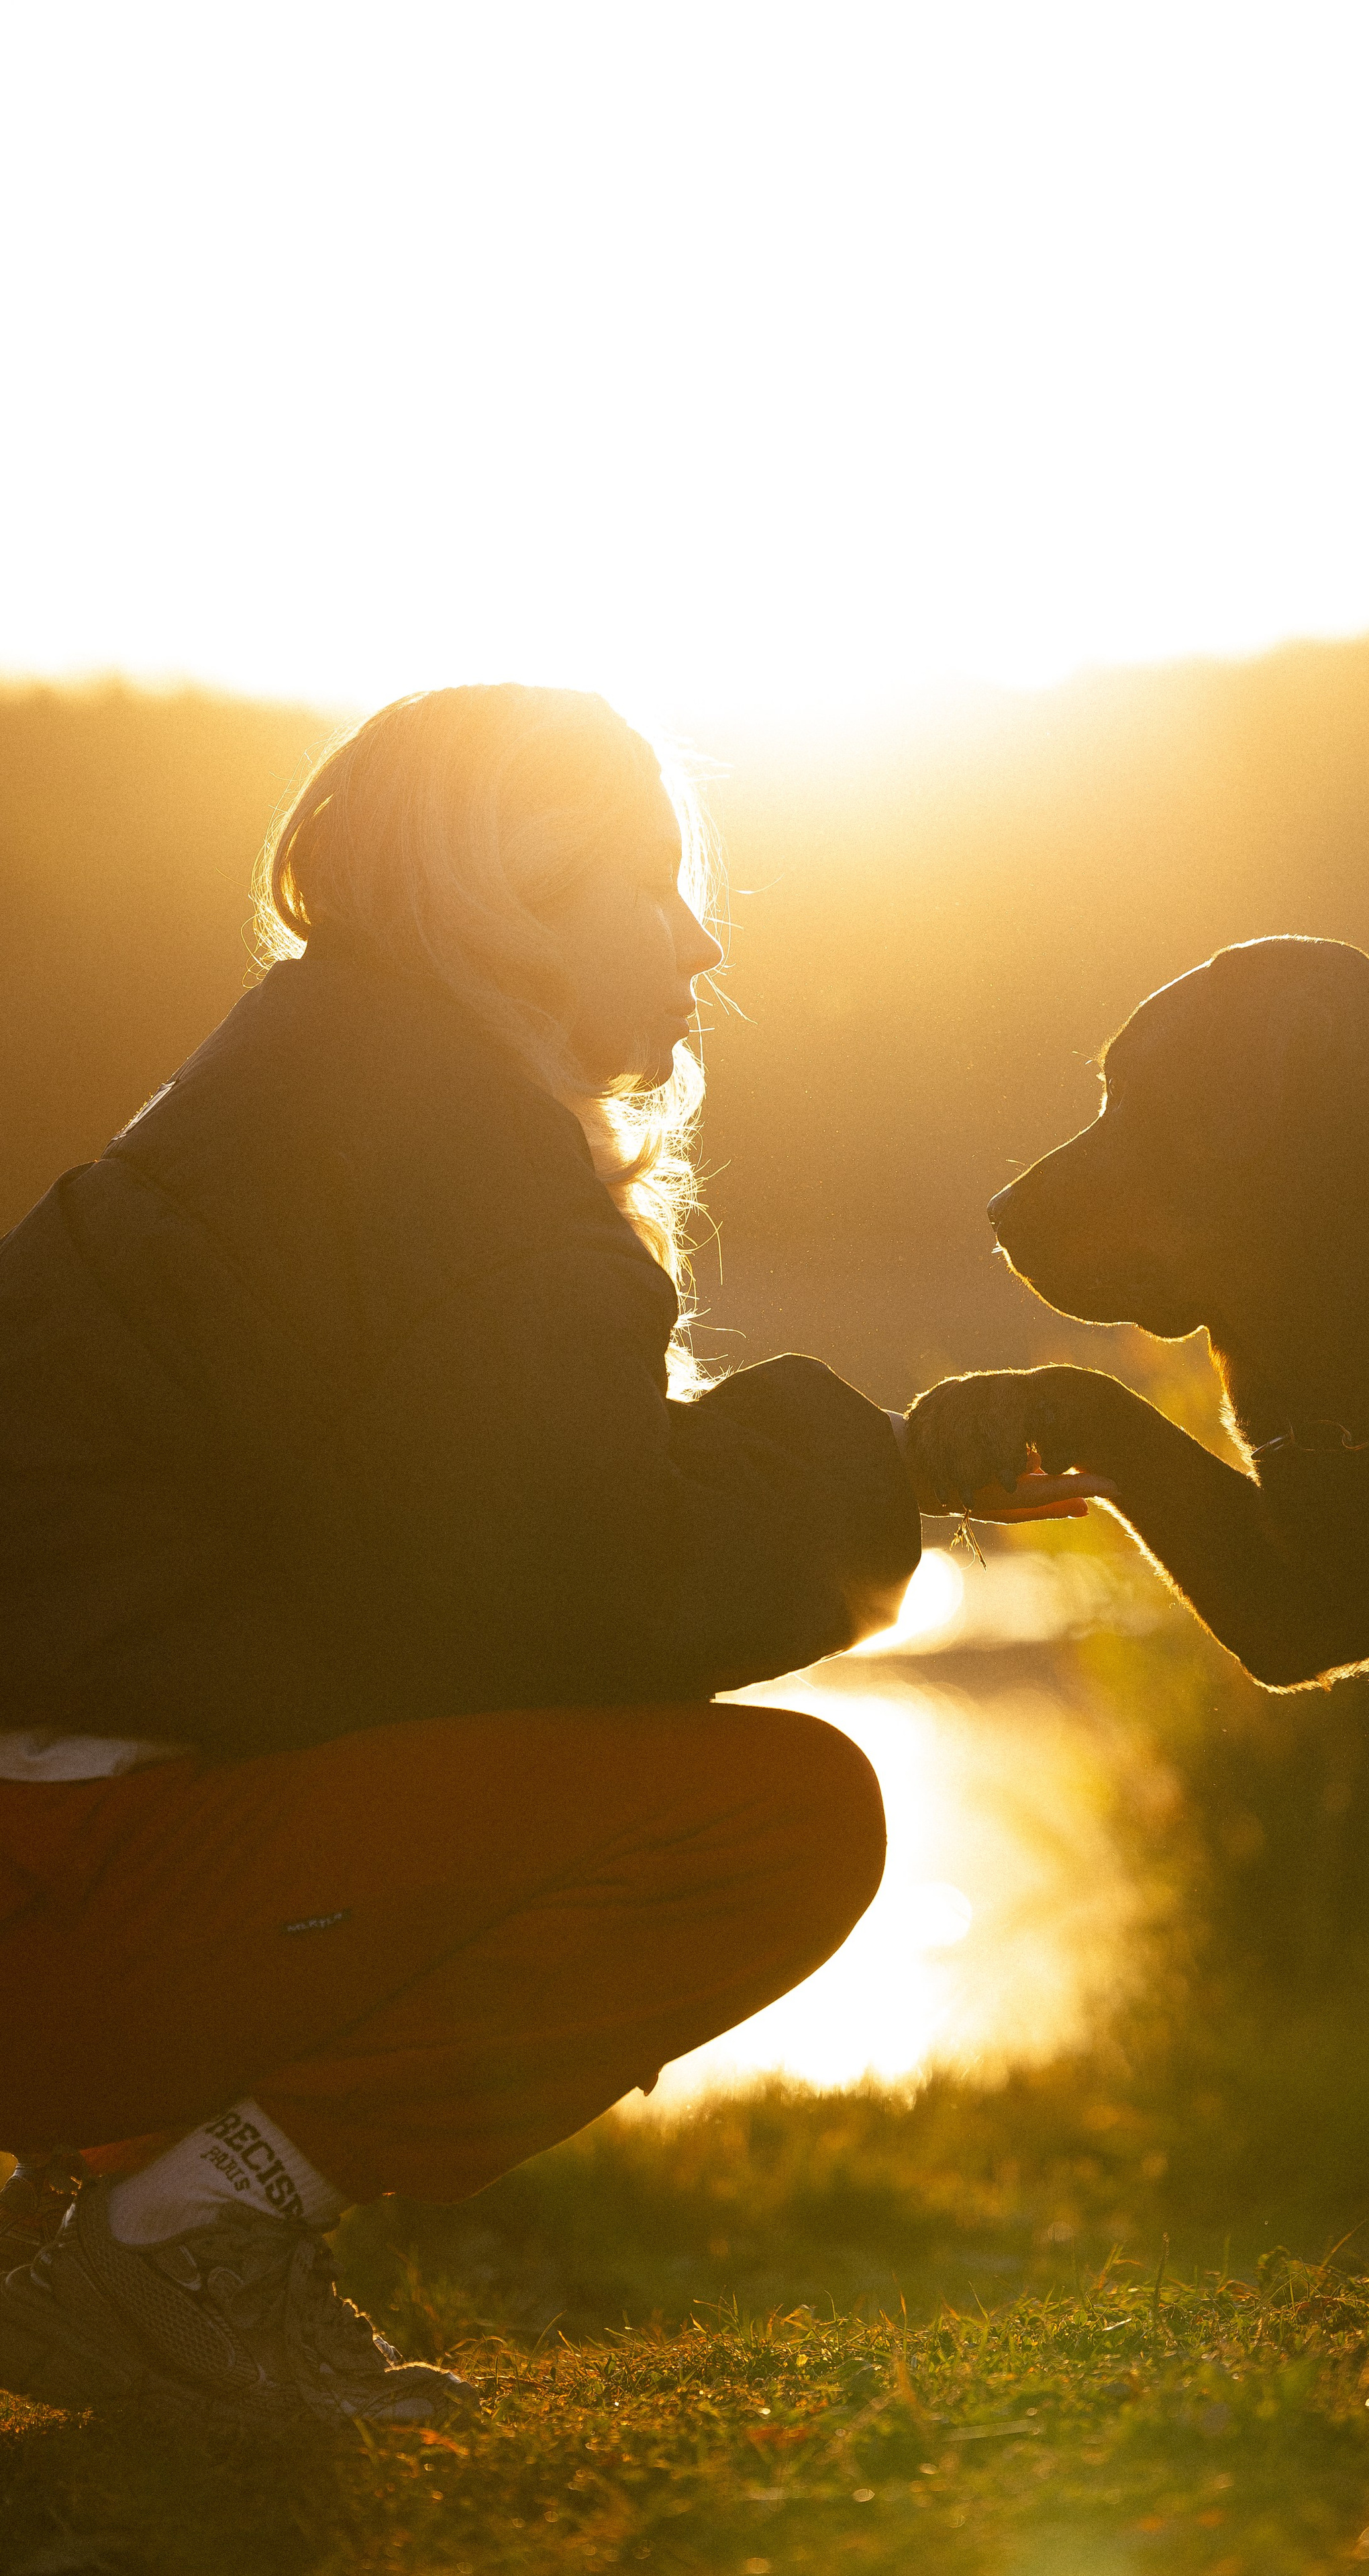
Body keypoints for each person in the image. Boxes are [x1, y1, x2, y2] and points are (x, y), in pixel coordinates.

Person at [0, 684, 925, 2430]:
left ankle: (112, 2211)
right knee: (779, 1819)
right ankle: (183, 2237)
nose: (701, 936)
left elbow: (441, 1568)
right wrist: (887, 1471)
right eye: (646, 885)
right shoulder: (443, 1146)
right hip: (58, 1891)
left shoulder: (318, 1075)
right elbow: (580, 1600)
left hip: (65, 1852)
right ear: (514, 906)